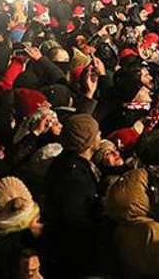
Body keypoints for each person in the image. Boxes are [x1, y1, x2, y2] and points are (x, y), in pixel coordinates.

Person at [43, 113, 104, 279]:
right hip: (75, 254)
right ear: (87, 142)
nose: (100, 134)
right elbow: (73, 217)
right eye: (96, 132)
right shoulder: (74, 176)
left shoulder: (70, 164)